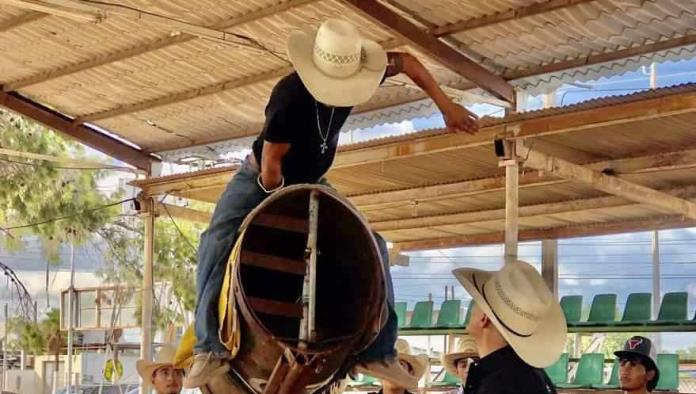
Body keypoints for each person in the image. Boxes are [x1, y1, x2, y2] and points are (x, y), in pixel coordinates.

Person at [184, 17, 479, 389]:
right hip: (263, 179)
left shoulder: (365, 71)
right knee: (216, 239)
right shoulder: (289, 96)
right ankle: (209, 347)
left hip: (313, 177)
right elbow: (273, 164)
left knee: (374, 242)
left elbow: (407, 62)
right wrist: (275, 205)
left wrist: (446, 105)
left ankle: (380, 350)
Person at [452, 261, 567, 394]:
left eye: (476, 304)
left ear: (484, 318)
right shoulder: (529, 374)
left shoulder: (495, 383)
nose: (471, 311)